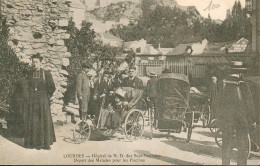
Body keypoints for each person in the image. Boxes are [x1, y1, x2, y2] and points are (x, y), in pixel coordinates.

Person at [219, 61, 256, 165]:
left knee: (226, 144)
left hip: (226, 119)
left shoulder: (223, 85)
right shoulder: (243, 85)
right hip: (241, 119)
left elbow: (217, 102)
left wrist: (219, 118)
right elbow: (249, 104)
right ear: (240, 73)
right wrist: (252, 120)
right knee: (242, 144)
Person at [24, 53, 56, 150]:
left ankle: (44, 144)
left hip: (43, 102)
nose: (35, 64)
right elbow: (27, 87)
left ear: (40, 63)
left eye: (37, 62)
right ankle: (32, 143)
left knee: (43, 121)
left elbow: (52, 87)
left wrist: (45, 97)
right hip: (32, 102)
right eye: (33, 62)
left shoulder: (46, 74)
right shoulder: (29, 74)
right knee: (33, 121)